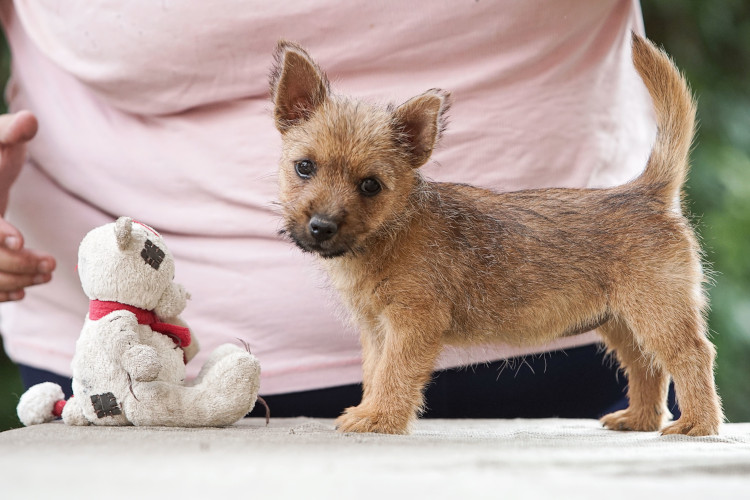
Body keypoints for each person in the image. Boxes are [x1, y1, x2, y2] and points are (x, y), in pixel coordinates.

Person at [0, 0, 674, 419]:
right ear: (288, 112)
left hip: (566, 344)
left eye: (368, 186)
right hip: (129, 364)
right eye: (305, 171)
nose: (325, 212)